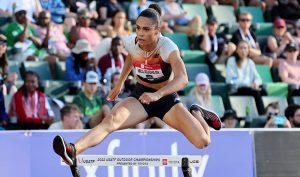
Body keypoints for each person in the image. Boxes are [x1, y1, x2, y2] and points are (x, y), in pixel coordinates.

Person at [52, 4, 221, 177]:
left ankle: (197, 113)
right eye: (138, 28)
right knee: (111, 120)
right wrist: (119, 84)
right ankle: (73, 150)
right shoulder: (132, 41)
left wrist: (157, 94)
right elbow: (131, 58)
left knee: (203, 141)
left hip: (166, 100)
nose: (140, 33)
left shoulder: (167, 47)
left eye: (146, 29)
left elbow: (183, 79)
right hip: (141, 95)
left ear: (157, 30)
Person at [226, 40, 266, 115]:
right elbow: (231, 80)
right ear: (237, 50)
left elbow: (258, 78)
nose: (243, 50)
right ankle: (262, 115)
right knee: (256, 93)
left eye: (245, 48)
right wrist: (249, 85)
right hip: (237, 90)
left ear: (248, 50)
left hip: (250, 89)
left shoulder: (250, 62)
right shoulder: (231, 61)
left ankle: (267, 115)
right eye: (241, 48)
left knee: (264, 90)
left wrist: (256, 83)